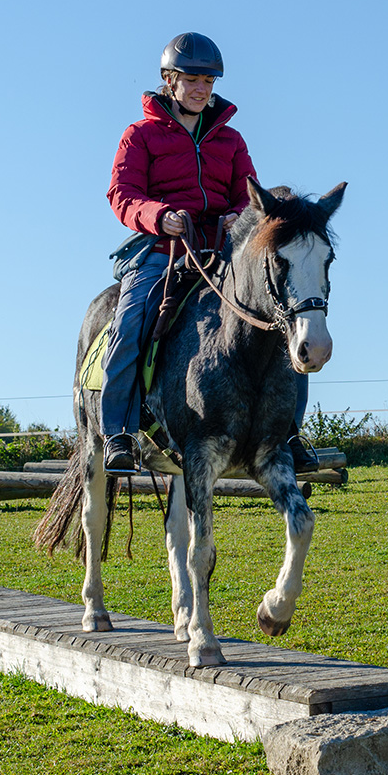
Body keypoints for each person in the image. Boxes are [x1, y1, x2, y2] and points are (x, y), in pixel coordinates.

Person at [100, 32, 315, 475]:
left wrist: (241, 215)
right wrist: (159, 216)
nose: (201, 88)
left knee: (284, 316)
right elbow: (121, 195)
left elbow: (248, 193)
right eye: (192, 79)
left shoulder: (231, 141)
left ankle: (288, 433)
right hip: (164, 248)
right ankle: (118, 432)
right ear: (168, 80)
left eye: (208, 81)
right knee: (130, 321)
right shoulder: (139, 135)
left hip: (223, 250)